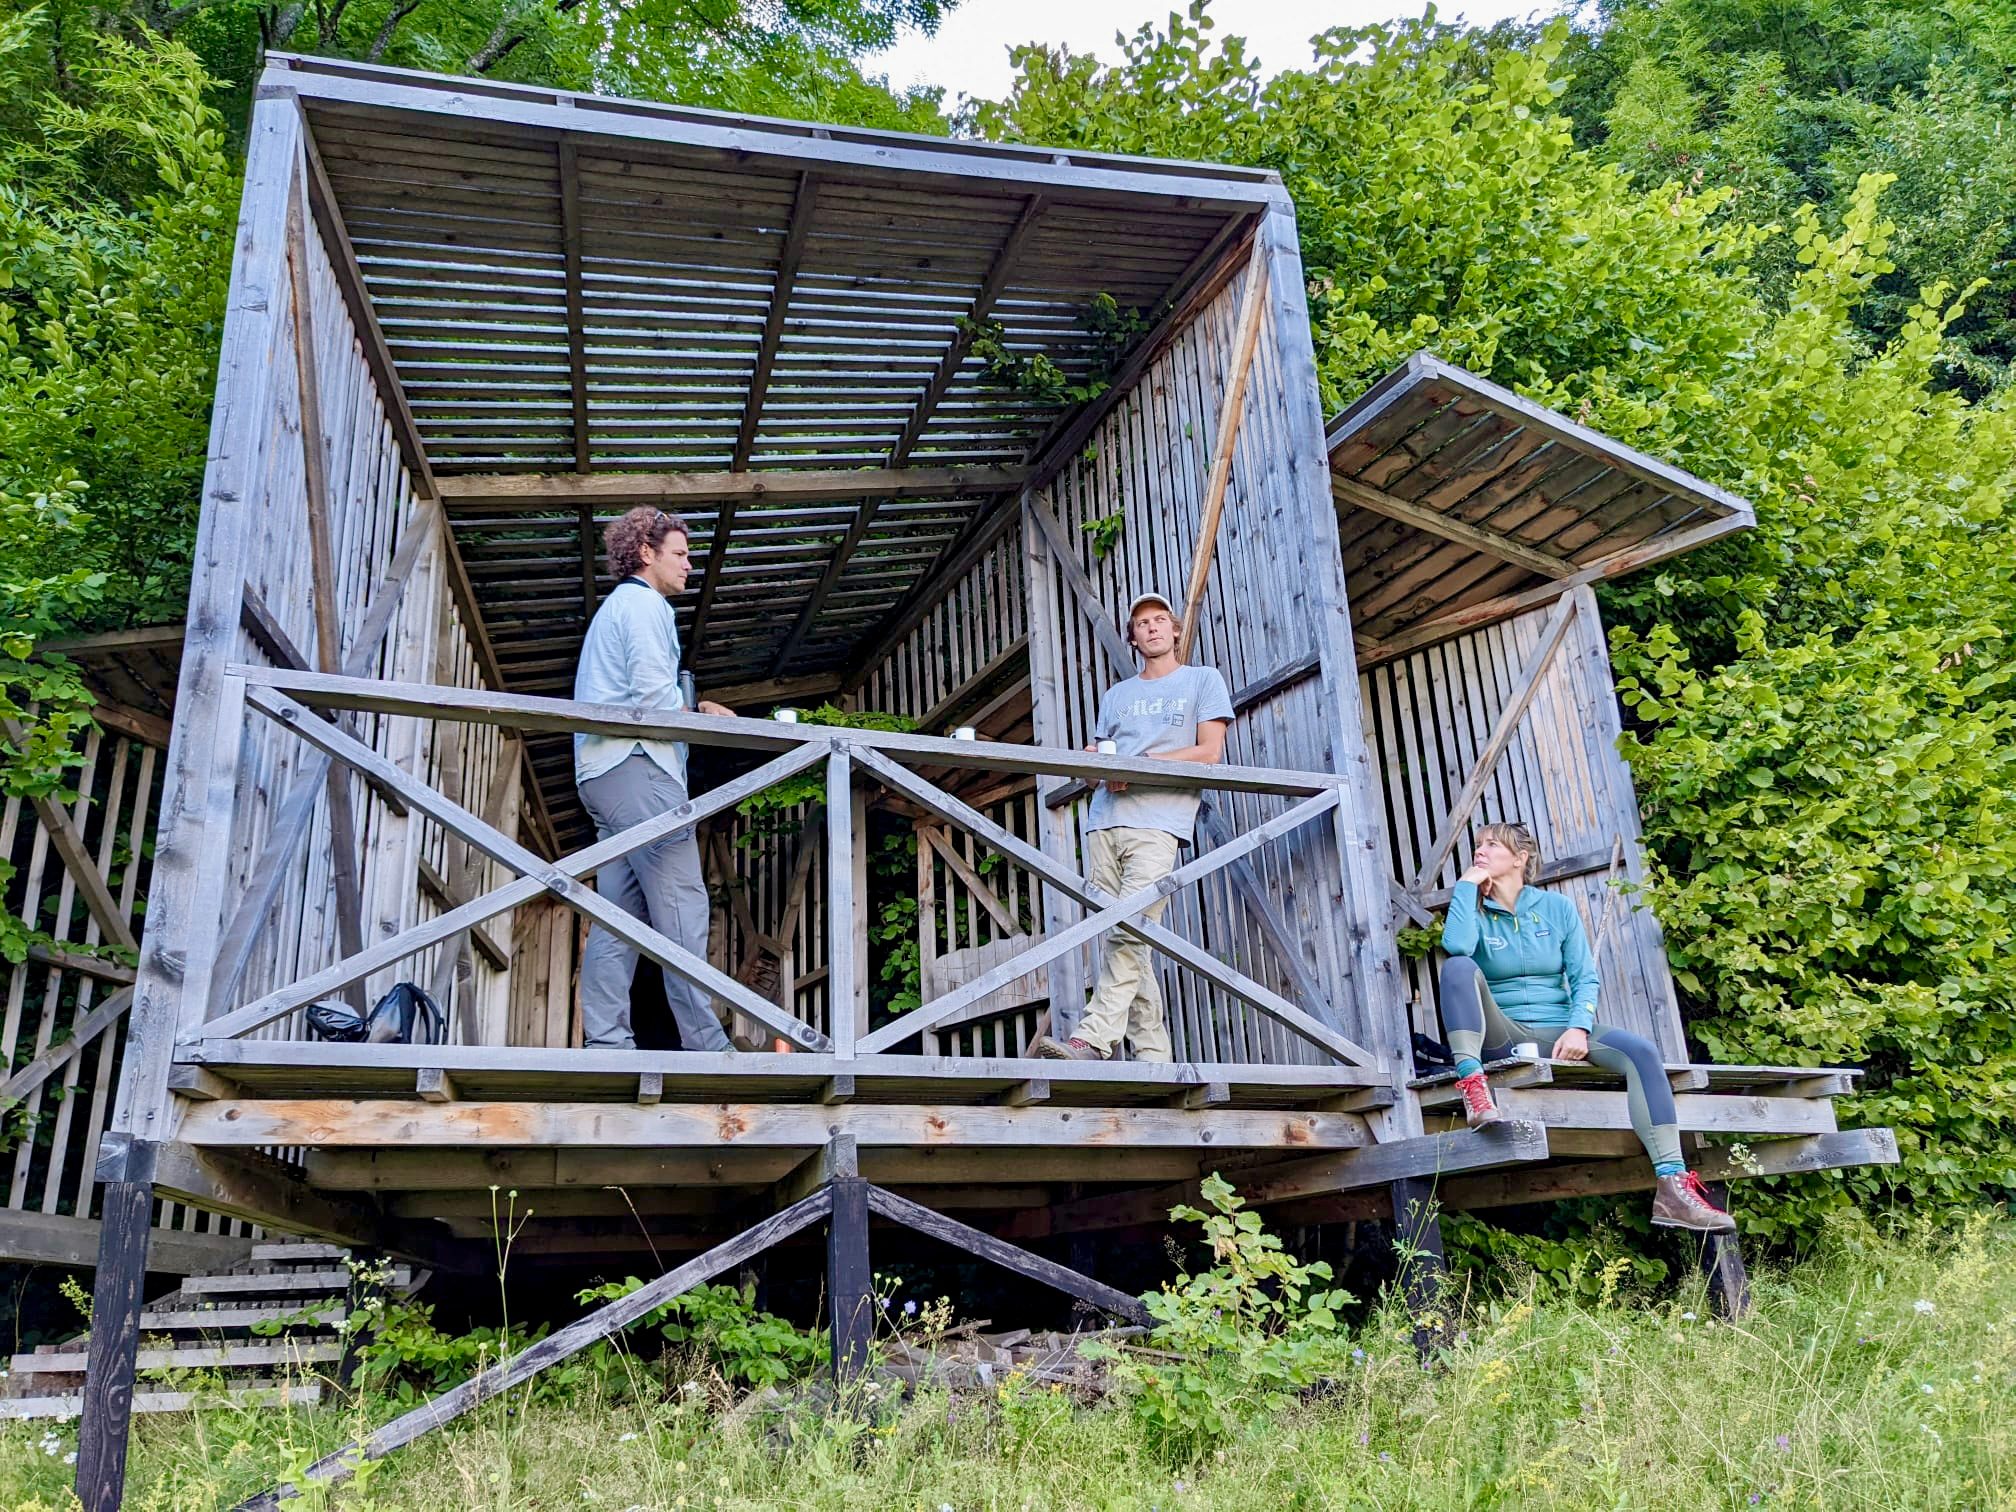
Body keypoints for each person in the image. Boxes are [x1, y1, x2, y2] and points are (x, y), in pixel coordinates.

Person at [1440, 821, 1736, 1233]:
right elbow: (1456, 948)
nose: (1481, 851)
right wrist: (1466, 888)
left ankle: (1673, 1187)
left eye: (1492, 844)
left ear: (1520, 858)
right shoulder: (1472, 910)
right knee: (1457, 968)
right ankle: (1474, 1088)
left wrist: (1579, 1027)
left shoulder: (1556, 909)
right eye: (1479, 845)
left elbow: (1584, 978)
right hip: (1500, 1033)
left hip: (1557, 1029)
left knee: (1642, 1053)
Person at [1033, 591, 1233, 1063]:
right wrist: (1088, 764)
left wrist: (1139, 765)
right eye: (1142, 624)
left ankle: (1092, 1040)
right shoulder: (1117, 696)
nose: (1153, 628)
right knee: (1128, 937)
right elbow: (1101, 764)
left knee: (1127, 930)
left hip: (1160, 823)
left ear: (1176, 630)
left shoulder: (1202, 680)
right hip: (1104, 822)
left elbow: (1209, 753)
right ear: (1134, 639)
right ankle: (1153, 1056)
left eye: (1160, 620)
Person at [573, 507, 738, 1052]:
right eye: (681, 554)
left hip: (603, 773)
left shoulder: (616, 610)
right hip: (640, 769)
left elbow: (643, 693)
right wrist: (704, 717)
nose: (689, 565)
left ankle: (607, 1043)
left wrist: (691, 704)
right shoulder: (646, 607)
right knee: (685, 907)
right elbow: (650, 699)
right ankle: (709, 1048)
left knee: (620, 916)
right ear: (647, 554)